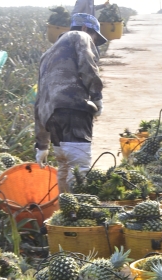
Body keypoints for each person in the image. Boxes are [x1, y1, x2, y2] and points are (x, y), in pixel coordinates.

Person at [34, 13, 106, 193]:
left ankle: (65, 208)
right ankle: (79, 208)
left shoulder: (47, 54)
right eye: (95, 37)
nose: (94, 43)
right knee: (80, 168)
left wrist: (42, 144)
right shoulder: (80, 35)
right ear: (85, 28)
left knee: (64, 167)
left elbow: (40, 98)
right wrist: (96, 96)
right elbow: (88, 65)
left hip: (51, 117)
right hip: (73, 108)